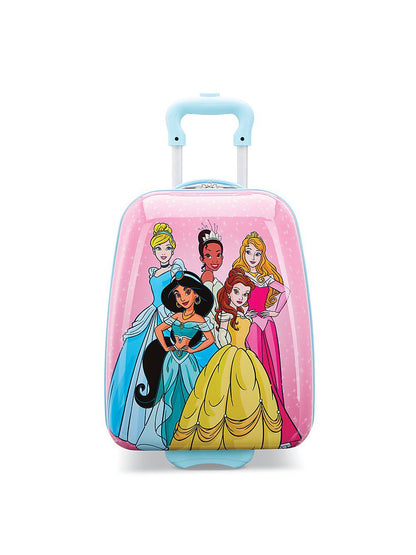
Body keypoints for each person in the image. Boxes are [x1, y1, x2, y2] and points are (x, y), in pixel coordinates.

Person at [169, 268, 283, 451]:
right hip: (229, 354)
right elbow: (221, 337)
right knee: (220, 395)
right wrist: (228, 343)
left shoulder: (243, 313)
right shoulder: (226, 315)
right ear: (229, 292)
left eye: (245, 294)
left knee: (250, 393)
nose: (241, 297)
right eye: (237, 292)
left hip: (245, 355)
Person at [106, 223, 184, 446]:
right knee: (140, 360)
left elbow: (181, 287)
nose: (163, 252)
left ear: (173, 249)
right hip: (152, 315)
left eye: (167, 248)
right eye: (159, 249)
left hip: (168, 315)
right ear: (153, 251)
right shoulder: (152, 271)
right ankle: (138, 422)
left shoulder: (175, 269)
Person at [232, 232, 301, 446]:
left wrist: (274, 311)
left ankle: (277, 426)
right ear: (243, 253)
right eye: (249, 252)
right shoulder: (240, 275)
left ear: (263, 255)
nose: (253, 257)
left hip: (267, 326)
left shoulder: (265, 278)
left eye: (258, 253)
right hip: (251, 327)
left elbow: (285, 292)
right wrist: (244, 313)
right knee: (254, 373)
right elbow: (231, 298)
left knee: (271, 372)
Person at [134, 270, 215, 449]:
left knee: (189, 394)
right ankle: (170, 437)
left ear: (196, 294)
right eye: (178, 294)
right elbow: (158, 330)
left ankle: (189, 435)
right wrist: (165, 347)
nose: (182, 298)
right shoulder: (176, 316)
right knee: (169, 396)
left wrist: (193, 349)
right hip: (171, 361)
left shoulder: (199, 319)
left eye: (187, 292)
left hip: (187, 362)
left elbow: (210, 339)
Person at [198, 224, 224, 346]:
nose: (214, 260)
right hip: (213, 321)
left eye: (218, 255)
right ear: (202, 258)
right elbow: (208, 304)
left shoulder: (212, 277)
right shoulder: (207, 276)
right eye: (208, 256)